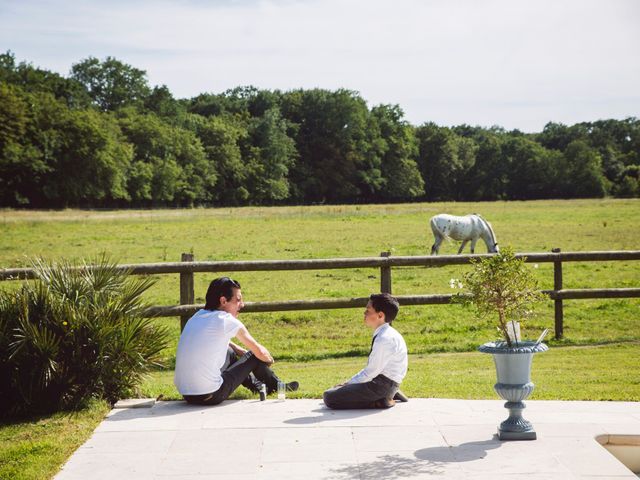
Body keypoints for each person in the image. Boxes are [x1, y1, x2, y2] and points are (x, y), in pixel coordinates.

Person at [174, 276, 298, 405]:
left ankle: (258, 387)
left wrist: (238, 349)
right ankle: (279, 386)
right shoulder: (225, 320)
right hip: (211, 395)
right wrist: (268, 359)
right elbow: (260, 352)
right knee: (254, 355)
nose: (242, 305)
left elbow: (212, 340)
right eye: (238, 300)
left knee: (230, 351)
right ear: (223, 301)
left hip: (187, 395)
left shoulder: (196, 317)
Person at [323, 293, 408, 409]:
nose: (364, 313)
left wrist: (348, 384)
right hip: (386, 382)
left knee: (329, 397)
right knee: (336, 391)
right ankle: (390, 393)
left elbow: (370, 372)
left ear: (380, 315)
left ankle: (383, 399)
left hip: (381, 385)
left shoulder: (384, 339)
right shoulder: (388, 333)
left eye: (368, 310)